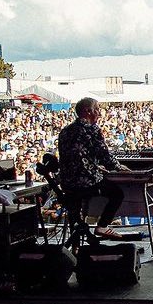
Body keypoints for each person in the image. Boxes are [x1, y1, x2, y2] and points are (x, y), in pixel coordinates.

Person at [57, 97, 130, 240]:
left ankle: (75, 244)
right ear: (88, 111)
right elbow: (104, 155)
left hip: (67, 183)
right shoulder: (91, 129)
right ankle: (102, 226)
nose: (99, 113)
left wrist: (96, 166)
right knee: (117, 194)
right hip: (86, 182)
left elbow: (75, 156)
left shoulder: (65, 130)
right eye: (97, 109)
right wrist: (118, 167)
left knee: (75, 208)